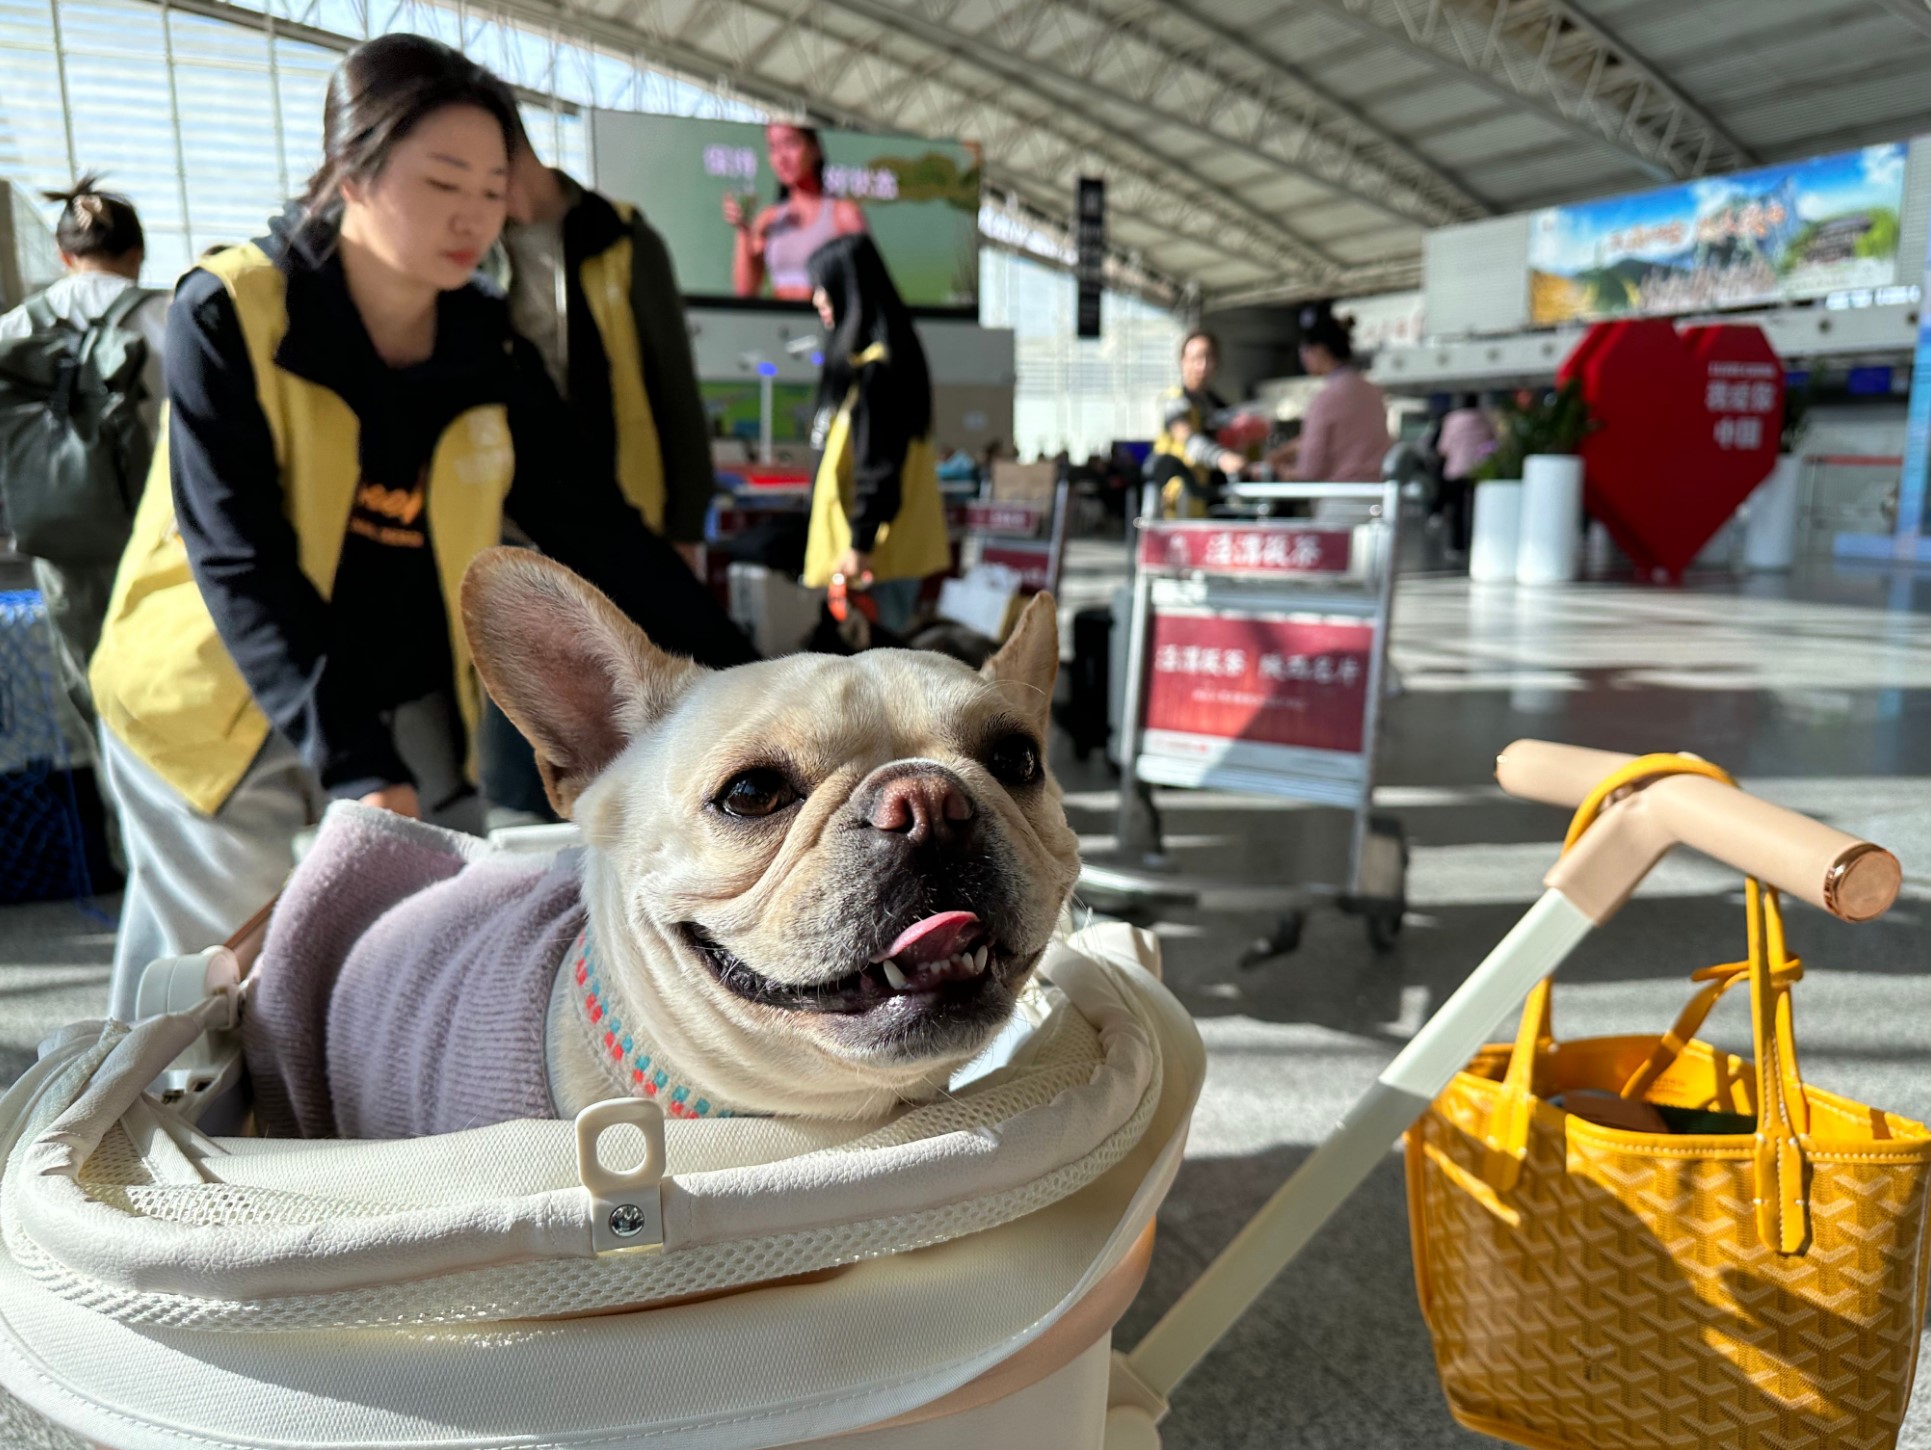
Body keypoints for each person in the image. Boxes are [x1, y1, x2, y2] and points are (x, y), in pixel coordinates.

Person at [87, 34, 755, 1020]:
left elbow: (595, 528)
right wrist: (356, 761)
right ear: (351, 170)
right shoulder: (231, 312)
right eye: (443, 179)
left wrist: (745, 677)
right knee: (206, 993)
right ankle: (128, 1162)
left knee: (417, 960)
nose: (474, 214)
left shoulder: (483, 342)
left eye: (492, 187)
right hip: (220, 695)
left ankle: (367, 1155)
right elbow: (241, 560)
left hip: (404, 700)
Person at [489, 119, 718, 826]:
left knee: (644, 702)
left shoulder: (619, 238)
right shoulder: (472, 250)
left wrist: (683, 524)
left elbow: (674, 386)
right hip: (516, 515)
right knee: (546, 710)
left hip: (625, 508)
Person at [0, 177, 168, 746]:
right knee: (171, 683)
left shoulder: (14, 329)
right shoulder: (173, 318)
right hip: (162, 535)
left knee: (93, 686)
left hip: (58, 536)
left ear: (63, 255)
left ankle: (117, 808)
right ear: (137, 255)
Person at [799, 234, 948, 634]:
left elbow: (878, 467)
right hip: (870, 559)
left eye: (822, 287)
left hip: (873, 562)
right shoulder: (869, 368)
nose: (816, 299)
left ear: (848, 288)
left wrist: (859, 546)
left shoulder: (878, 372)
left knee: (881, 677)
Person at [724, 124, 865, 302]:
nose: (782, 158)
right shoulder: (769, 218)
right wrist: (743, 229)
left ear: (815, 149)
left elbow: (868, 284)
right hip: (781, 323)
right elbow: (745, 292)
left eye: (790, 144)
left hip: (827, 323)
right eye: (773, 148)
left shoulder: (844, 214)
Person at [1283, 306, 1390, 484]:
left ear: (1320, 351)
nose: (1303, 359)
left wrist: (1283, 471)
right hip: (1376, 493)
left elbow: (1310, 469)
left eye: (1304, 352)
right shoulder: (1373, 391)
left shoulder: (1326, 398)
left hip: (1341, 497)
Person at [1149, 330, 1246, 518]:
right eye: (1195, 358)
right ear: (1182, 361)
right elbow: (1187, 438)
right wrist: (1222, 458)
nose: (1202, 365)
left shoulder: (1219, 406)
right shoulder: (1174, 402)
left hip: (1212, 497)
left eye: (1208, 358)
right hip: (1179, 498)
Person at [1434, 393, 1495, 556]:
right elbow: (1491, 443)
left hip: (1456, 470)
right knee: (1478, 509)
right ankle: (1478, 543)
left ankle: (1457, 546)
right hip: (1478, 471)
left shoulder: (1452, 420)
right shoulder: (1484, 420)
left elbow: (1443, 448)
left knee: (1457, 511)